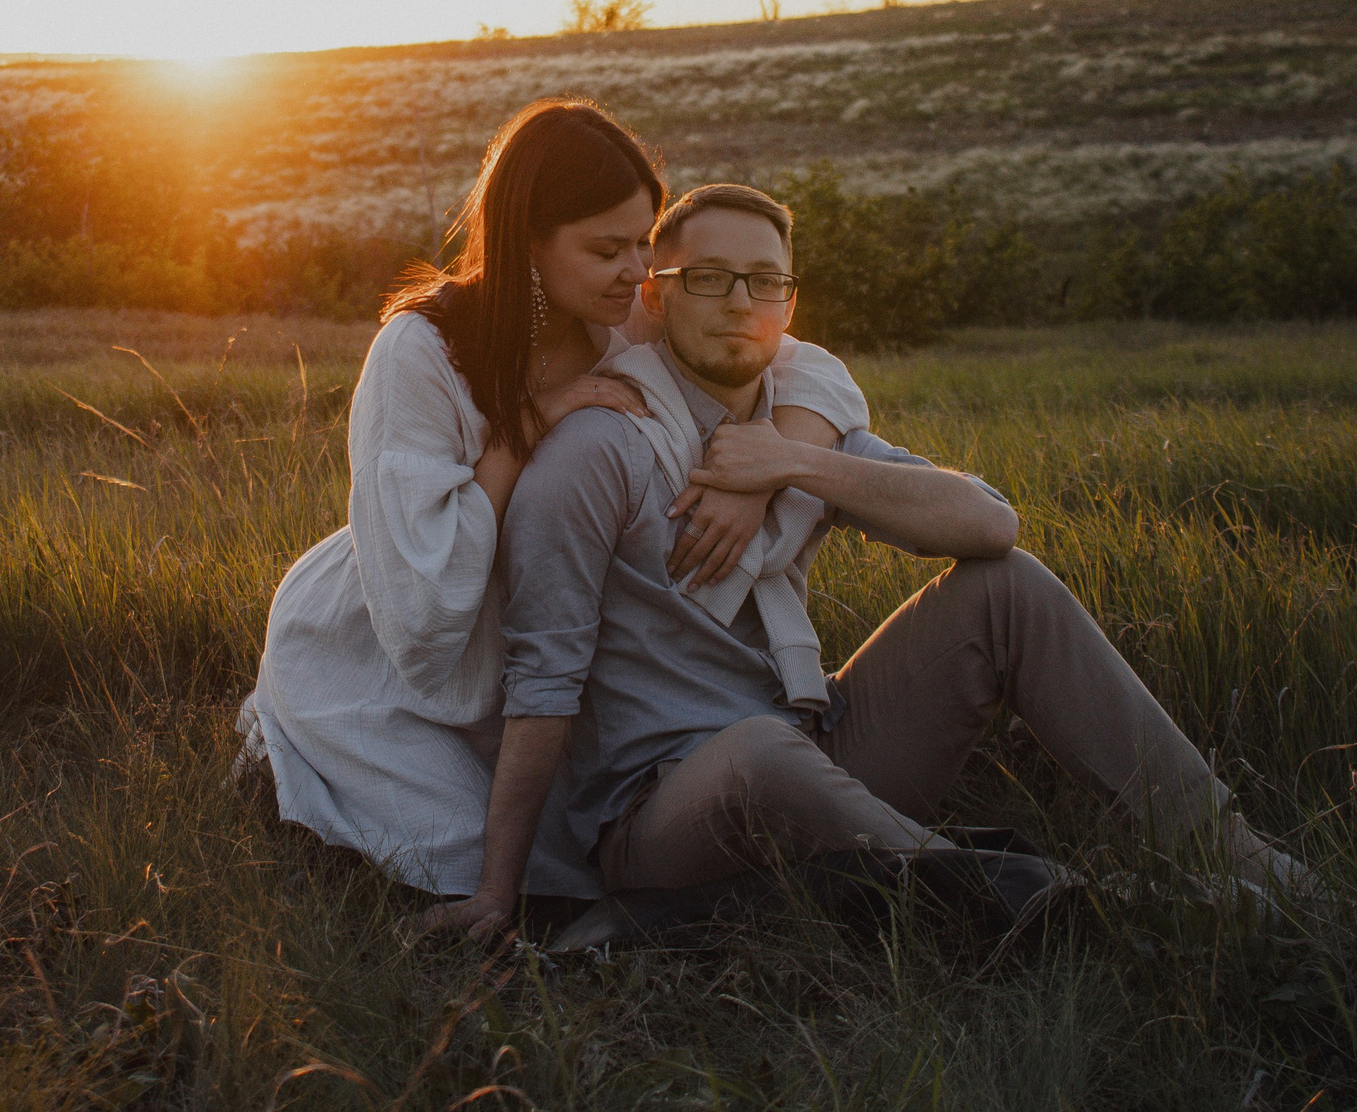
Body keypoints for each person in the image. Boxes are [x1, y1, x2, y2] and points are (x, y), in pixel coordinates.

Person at [419, 182, 1310, 940]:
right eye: (709, 279)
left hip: (818, 742)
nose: (739, 302)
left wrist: (795, 464)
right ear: (654, 296)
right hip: (662, 813)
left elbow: (990, 524)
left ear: (790, 305)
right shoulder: (595, 452)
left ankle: (1237, 860)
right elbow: (544, 676)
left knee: (1007, 589)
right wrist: (501, 888)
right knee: (759, 750)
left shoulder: (801, 427)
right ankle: (1043, 903)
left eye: (764, 281)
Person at [239, 104, 870, 900]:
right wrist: (531, 423)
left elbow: (802, 360)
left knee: (572, 844)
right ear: (529, 242)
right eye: (607, 249)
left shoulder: (620, 318)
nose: (636, 271)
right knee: (478, 865)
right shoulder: (422, 351)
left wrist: (760, 471)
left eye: (643, 242)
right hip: (387, 632)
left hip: (535, 639)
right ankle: (286, 743)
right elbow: (426, 607)